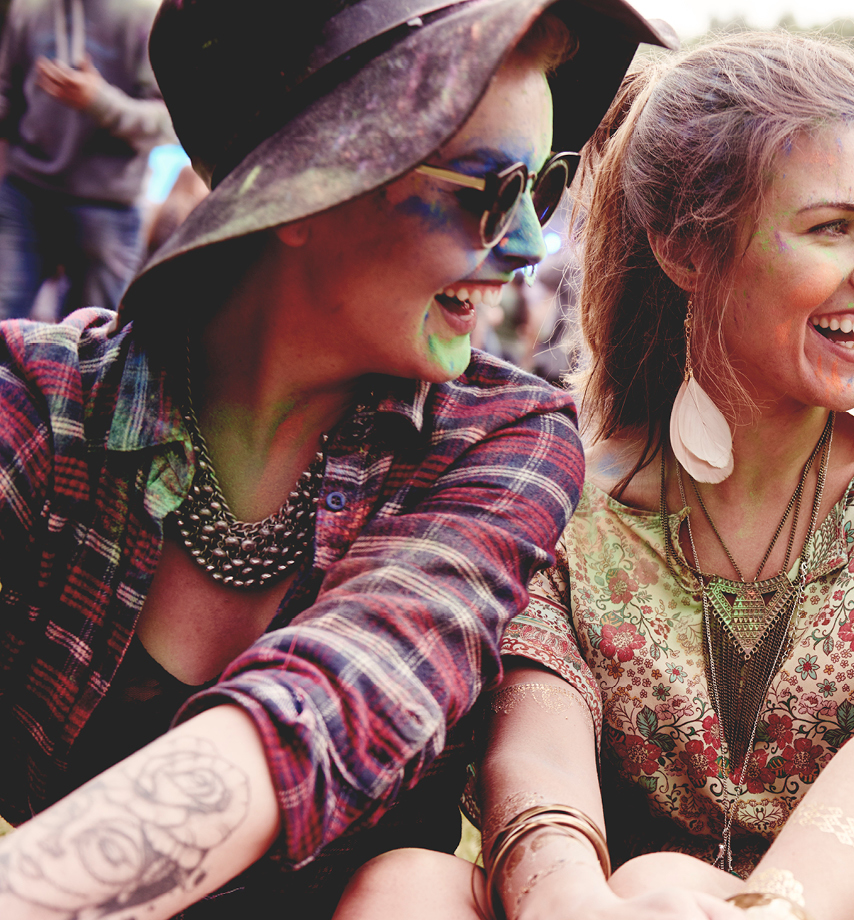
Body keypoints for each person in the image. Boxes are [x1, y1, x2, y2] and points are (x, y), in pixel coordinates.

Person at [334, 31, 854, 920]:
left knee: (661, 880)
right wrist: (572, 907)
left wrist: (773, 909)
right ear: (685, 250)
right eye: (834, 228)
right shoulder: (560, 496)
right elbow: (538, 758)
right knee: (407, 888)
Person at [0, 2, 668, 917]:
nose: (522, 248)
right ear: (308, 190)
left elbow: (339, 696)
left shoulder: (501, 437)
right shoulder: (42, 402)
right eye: (489, 192)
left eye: (541, 191)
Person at [0, 0, 174, 319]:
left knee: (90, 341)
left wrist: (99, 102)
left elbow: (172, 122)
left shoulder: (146, 14)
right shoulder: (27, 7)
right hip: (25, 190)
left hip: (109, 205)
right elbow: (6, 94)